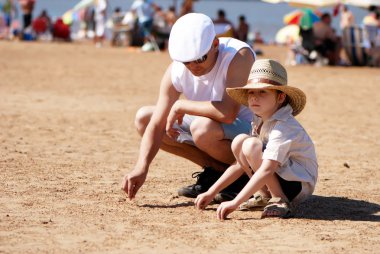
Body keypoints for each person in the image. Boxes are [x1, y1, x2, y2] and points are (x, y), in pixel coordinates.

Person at [121, 13, 255, 201]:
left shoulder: (239, 55)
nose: (193, 66)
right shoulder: (177, 69)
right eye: (186, 61)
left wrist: (181, 105)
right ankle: (218, 173)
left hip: (254, 137)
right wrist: (141, 167)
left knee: (202, 128)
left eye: (199, 59)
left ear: (215, 45)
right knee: (144, 118)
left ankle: (244, 177)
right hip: (216, 130)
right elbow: (156, 124)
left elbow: (227, 113)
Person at [195, 59, 318, 220]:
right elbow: (241, 163)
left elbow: (267, 168)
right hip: (281, 175)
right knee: (241, 141)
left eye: (262, 92)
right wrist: (212, 191)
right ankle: (265, 196)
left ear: (280, 97)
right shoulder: (260, 118)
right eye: (251, 92)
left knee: (251, 145)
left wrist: (235, 203)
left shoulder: (284, 126)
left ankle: (280, 200)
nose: (254, 98)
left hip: (296, 185)